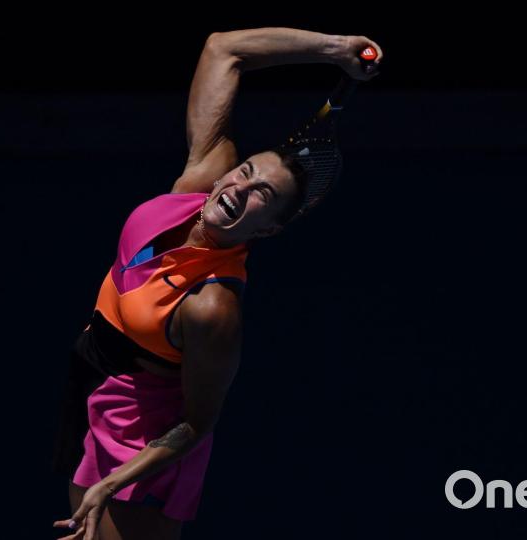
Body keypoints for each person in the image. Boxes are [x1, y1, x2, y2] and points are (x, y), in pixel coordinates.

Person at [51, 27, 383, 540]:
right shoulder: (202, 180)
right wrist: (336, 50)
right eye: (246, 171)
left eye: (262, 195)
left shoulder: (212, 307)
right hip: (95, 379)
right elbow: (223, 49)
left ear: (269, 228)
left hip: (142, 437)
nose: (240, 187)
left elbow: (196, 422)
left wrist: (114, 481)